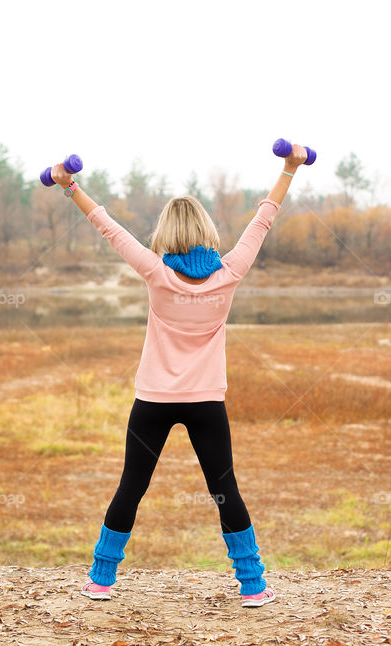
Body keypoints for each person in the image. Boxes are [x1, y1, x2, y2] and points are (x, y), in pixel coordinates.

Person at [48, 143, 309, 608]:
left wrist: (71, 189)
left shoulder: (155, 271)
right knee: (224, 489)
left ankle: (101, 580)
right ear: (206, 230)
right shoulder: (229, 272)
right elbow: (264, 218)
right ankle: (252, 586)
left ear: (166, 232)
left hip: (153, 400)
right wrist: (290, 168)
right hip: (207, 402)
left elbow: (107, 226)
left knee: (132, 485)